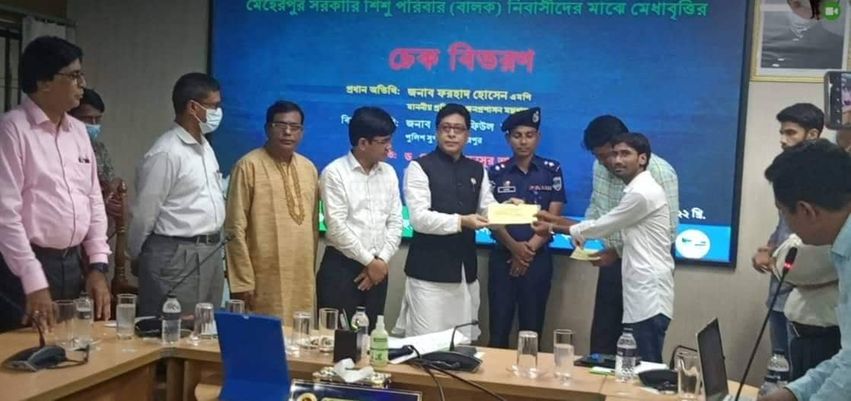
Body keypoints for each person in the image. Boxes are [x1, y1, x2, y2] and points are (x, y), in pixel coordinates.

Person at [0, 36, 111, 332]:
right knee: (26, 349)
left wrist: (97, 265)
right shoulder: (13, 129)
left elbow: (92, 199)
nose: (82, 84)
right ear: (44, 82)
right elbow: (5, 214)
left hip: (71, 263)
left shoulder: (79, 132)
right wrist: (33, 280)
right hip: (23, 264)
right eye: (74, 76)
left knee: (68, 345)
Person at [535, 133, 674, 363]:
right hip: (639, 293)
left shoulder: (642, 193)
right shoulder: (636, 190)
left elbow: (602, 226)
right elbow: (604, 223)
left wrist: (552, 226)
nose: (617, 160)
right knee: (629, 365)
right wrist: (555, 220)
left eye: (625, 154)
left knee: (647, 369)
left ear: (642, 159)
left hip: (649, 295)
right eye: (615, 154)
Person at [759, 139, 851, 401]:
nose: (788, 226)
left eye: (784, 213)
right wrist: (793, 393)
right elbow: (847, 359)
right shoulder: (843, 251)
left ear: (806, 211)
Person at [128, 73, 226, 317]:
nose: (218, 112)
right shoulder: (166, 152)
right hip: (177, 255)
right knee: (174, 327)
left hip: (210, 252)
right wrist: (139, 256)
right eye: (213, 106)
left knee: (206, 328)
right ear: (193, 107)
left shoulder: (204, 146)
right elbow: (144, 215)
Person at [580, 115, 679, 356]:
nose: (607, 162)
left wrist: (616, 251)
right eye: (599, 157)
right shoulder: (600, 166)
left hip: (642, 264)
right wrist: (585, 237)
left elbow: (668, 232)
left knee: (640, 345)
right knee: (603, 340)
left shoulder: (660, 172)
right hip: (611, 262)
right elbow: (597, 204)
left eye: (610, 155)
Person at [395, 103, 494, 339]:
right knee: (425, 345)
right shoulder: (419, 167)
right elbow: (419, 219)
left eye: (458, 129)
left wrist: (510, 211)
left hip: (465, 274)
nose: (451, 134)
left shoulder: (477, 169)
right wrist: (462, 221)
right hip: (428, 275)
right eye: (445, 128)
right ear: (436, 131)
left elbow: (488, 208)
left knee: (461, 344)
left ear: (467, 134)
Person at [225, 100, 319, 319]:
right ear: (268, 128)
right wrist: (242, 281)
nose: (288, 132)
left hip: (301, 275)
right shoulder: (248, 166)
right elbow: (234, 227)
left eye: (294, 127)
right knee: (262, 334)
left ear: (302, 132)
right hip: (261, 277)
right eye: (281, 125)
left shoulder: (309, 169)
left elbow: (313, 227)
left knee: (299, 334)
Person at [317, 106, 403, 329]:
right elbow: (336, 227)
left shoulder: (389, 173)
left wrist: (380, 262)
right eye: (384, 142)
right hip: (342, 269)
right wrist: (369, 262)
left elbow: (396, 222)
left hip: (379, 270)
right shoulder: (334, 173)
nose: (390, 147)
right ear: (363, 143)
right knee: (337, 340)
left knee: (372, 338)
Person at [486, 107, 565, 348]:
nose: (523, 141)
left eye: (529, 135)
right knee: (498, 329)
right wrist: (514, 248)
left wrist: (527, 251)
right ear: (508, 139)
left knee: (532, 330)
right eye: (517, 135)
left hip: (537, 260)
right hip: (503, 258)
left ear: (538, 138)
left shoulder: (552, 170)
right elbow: (491, 216)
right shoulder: (496, 173)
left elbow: (554, 216)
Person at [752, 103, 823, 358]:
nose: (783, 140)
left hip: (808, 300)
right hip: (779, 292)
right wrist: (769, 248)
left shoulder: (826, 178)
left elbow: (821, 241)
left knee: (802, 368)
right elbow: (784, 226)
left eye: (791, 133)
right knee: (779, 367)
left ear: (812, 135)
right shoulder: (787, 172)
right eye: (781, 132)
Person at [68, 88, 122, 221]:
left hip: (98, 221)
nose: (93, 125)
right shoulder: (62, 149)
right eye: (87, 119)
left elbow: (109, 181)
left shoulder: (99, 148)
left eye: (97, 119)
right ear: (71, 117)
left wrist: (113, 190)